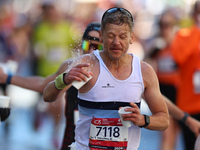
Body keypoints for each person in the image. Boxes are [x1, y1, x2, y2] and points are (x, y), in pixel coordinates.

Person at [43, 7, 170, 150]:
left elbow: (164, 119)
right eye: (110, 36)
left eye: (122, 36)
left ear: (131, 38)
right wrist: (64, 80)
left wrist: (143, 120)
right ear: (101, 36)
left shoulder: (143, 71)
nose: (116, 42)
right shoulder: (87, 64)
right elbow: (47, 96)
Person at [0, 22, 103, 150]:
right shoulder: (72, 67)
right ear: (81, 44)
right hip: (73, 142)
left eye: (97, 47)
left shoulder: (117, 72)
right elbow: (43, 84)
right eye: (87, 44)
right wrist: (7, 77)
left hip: (104, 144)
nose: (91, 50)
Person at [145, 9, 181, 150]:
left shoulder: (180, 44)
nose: (164, 28)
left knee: (177, 133)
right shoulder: (156, 44)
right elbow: (145, 65)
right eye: (161, 25)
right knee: (167, 134)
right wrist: (154, 51)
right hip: (163, 91)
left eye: (168, 25)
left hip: (180, 91)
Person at [170, 1, 200, 149]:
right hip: (190, 105)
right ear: (195, 15)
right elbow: (179, 57)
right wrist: (197, 31)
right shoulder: (184, 35)